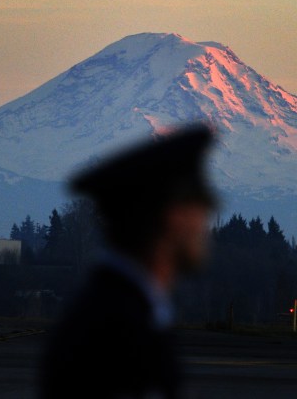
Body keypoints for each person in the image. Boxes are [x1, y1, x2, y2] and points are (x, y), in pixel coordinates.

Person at [39, 123, 218, 399]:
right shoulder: (116, 333)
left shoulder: (126, 311)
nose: (206, 223)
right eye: (201, 208)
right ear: (172, 216)